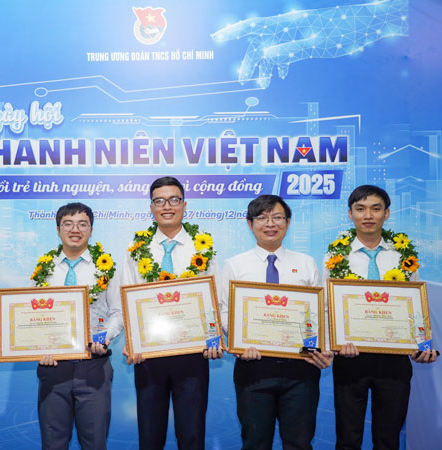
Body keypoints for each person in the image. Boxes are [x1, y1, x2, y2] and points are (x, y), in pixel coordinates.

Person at [324, 185, 437, 450]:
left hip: (394, 358)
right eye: (360, 209)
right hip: (351, 356)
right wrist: (334, 345)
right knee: (348, 438)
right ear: (350, 214)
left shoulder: (403, 254)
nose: (368, 215)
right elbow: (329, 306)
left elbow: (416, 306)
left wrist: (422, 346)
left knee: (388, 438)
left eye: (376, 209)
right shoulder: (335, 256)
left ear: (386, 213)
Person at [221, 194, 333, 450]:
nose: (270, 224)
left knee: (299, 443)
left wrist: (325, 348)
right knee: (255, 442)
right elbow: (225, 311)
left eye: (277, 217)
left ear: (288, 222)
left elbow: (321, 311)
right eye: (262, 218)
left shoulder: (306, 263)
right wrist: (239, 342)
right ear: (250, 224)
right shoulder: (235, 265)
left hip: (301, 367)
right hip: (254, 367)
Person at [122, 176, 222, 450]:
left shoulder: (203, 248)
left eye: (174, 200)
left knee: (192, 435)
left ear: (184, 205)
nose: (167, 206)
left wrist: (214, 338)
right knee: (150, 436)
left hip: (193, 353)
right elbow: (127, 299)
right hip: (149, 354)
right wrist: (133, 341)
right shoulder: (136, 250)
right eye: (160, 201)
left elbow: (214, 300)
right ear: (151, 207)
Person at [31, 202, 123, 450]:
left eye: (83, 224)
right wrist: (39, 346)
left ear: (91, 230)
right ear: (58, 229)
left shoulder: (106, 267)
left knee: (94, 443)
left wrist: (104, 338)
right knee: (53, 443)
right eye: (68, 224)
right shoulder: (44, 270)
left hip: (94, 365)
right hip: (53, 366)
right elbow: (32, 317)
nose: (75, 230)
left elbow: (118, 312)